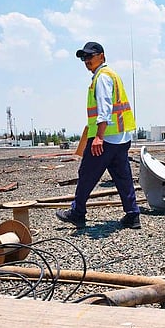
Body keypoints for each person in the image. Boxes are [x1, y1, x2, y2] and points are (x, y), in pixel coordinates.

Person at [56, 42, 141, 229]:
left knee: (86, 175)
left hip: (106, 140)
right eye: (83, 58)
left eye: (90, 56)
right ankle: (133, 215)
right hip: (121, 138)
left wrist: (98, 137)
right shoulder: (112, 74)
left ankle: (77, 213)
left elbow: (105, 109)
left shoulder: (102, 77)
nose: (86, 61)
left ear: (101, 56)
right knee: (123, 177)